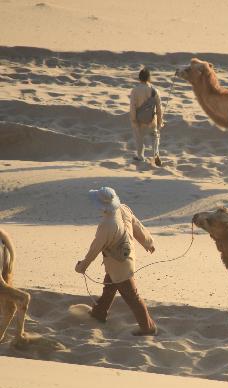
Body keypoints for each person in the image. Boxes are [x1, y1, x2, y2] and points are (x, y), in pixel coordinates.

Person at [75, 187, 157, 336]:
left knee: (132, 296)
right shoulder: (123, 208)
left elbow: (95, 248)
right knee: (109, 287)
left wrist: (83, 266)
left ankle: (148, 327)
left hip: (120, 265)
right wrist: (148, 242)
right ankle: (99, 313)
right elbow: (137, 225)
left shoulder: (107, 225)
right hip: (124, 259)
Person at [130, 67, 163, 166]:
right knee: (155, 136)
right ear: (149, 78)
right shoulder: (155, 91)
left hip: (139, 119)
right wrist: (160, 121)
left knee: (139, 137)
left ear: (139, 78)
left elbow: (132, 107)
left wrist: (133, 119)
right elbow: (159, 108)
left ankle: (140, 156)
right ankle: (155, 154)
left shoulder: (135, 90)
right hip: (151, 119)